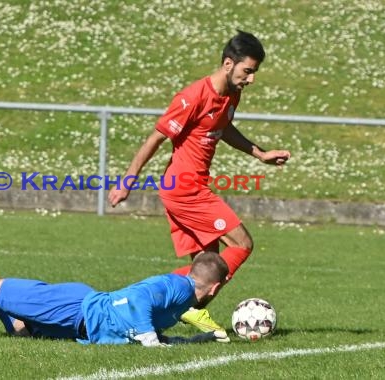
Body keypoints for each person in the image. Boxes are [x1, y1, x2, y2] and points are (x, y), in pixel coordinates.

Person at [108, 30, 291, 335]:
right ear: (228, 63)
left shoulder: (232, 93)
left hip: (191, 186)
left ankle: (144, 319)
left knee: (207, 265)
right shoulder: (193, 96)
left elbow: (224, 127)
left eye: (255, 72)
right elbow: (155, 139)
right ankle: (140, 298)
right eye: (248, 71)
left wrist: (260, 154)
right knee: (241, 244)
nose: (252, 79)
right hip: (184, 188)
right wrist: (127, 181)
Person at [0, 199, 231, 346]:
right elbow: (135, 298)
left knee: (18, 329)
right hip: (73, 306)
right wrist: (147, 337)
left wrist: (196, 340)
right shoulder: (177, 285)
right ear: (214, 287)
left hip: (74, 325)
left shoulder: (182, 301)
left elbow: (152, 331)